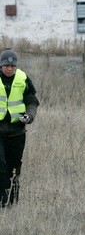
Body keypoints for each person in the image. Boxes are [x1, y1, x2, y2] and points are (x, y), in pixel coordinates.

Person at [0, 49, 40, 207]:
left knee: (14, 168)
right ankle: (2, 202)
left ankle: (12, 203)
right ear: (1, 66)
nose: (9, 69)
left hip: (17, 131)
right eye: (6, 66)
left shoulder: (23, 78)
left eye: (12, 66)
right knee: (0, 166)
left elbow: (32, 101)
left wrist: (29, 116)